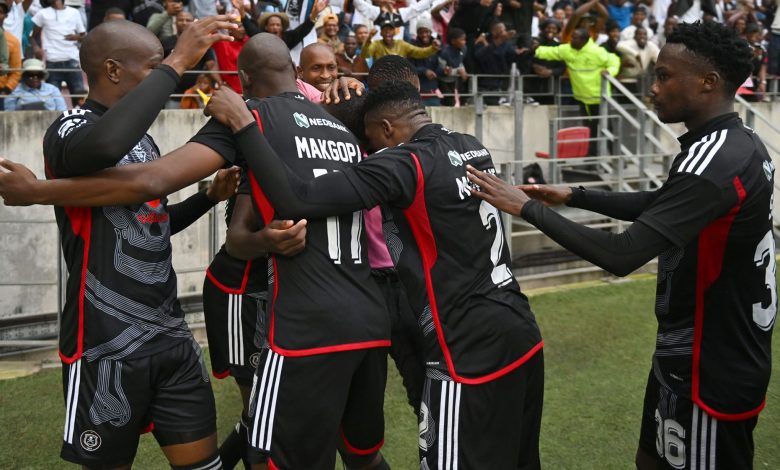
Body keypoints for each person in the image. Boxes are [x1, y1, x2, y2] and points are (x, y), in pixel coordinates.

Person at [466, 21, 775, 470]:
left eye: (665, 76)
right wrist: (576, 195)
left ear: (708, 83)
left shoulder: (717, 159)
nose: (653, 87)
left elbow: (622, 255)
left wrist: (526, 209)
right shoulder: (734, 142)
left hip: (712, 364)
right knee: (650, 461)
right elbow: (665, 204)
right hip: (687, 352)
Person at [204, 76, 545, 469]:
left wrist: (244, 125)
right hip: (519, 327)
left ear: (386, 129)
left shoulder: (404, 162)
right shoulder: (470, 144)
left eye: (369, 141)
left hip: (465, 347)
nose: (366, 152)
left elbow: (295, 197)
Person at [2, 17, 241, 469]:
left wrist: (206, 197)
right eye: (153, 68)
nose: (164, 77)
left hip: (169, 333)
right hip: (105, 342)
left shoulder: (143, 141)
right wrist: (178, 59)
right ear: (113, 70)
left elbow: (151, 225)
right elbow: (106, 145)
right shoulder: (70, 128)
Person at [190, 33, 392, 470]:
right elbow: (243, 239)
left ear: (243, 78)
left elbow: (156, 181)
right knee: (354, 451)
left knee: (272, 451)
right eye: (319, 70)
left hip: (304, 324)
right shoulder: (341, 131)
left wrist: (41, 191)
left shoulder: (258, 120)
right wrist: (264, 240)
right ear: (297, 73)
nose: (327, 77)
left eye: (332, 71)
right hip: (356, 316)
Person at [534, 27, 620, 155]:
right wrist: (535, 49)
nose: (571, 39)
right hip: (582, 99)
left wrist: (610, 72)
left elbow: (614, 60)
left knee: (607, 128)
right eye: (572, 36)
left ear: (584, 40)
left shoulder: (597, 51)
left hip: (599, 99)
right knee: (589, 130)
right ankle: (591, 161)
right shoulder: (567, 49)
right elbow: (552, 51)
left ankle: (616, 158)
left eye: (575, 38)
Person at [31, 0, 86, 99]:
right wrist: (36, 49)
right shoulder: (42, 13)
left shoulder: (74, 12)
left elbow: (84, 37)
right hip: (52, 61)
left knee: (80, 98)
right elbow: (32, 36)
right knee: (53, 100)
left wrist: (76, 37)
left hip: (72, 60)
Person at [361, 18, 439, 61]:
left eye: (390, 29)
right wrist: (369, 39)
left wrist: (433, 48)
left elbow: (419, 52)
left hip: (399, 80)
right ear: (381, 33)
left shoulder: (401, 44)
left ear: (394, 32)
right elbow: (365, 55)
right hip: (381, 78)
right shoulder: (376, 44)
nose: (387, 32)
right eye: (385, 30)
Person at [0, 0, 21, 111]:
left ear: (5, 16)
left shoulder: (12, 41)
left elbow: (16, 71)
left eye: (0, 12)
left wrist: (6, 90)